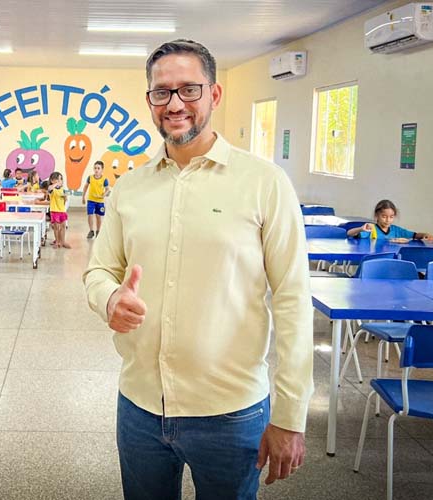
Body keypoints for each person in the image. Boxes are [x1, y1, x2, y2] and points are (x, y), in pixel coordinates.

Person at [83, 39, 313, 500]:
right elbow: (99, 270)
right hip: (140, 407)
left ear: (215, 94)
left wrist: (290, 415)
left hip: (231, 413)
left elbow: (293, 297)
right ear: (150, 99)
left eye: (189, 89)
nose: (174, 104)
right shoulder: (129, 187)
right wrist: (109, 298)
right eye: (161, 92)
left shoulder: (264, 183)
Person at [346, 199, 433, 243]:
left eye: (391, 217)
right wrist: (361, 229)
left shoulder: (396, 230)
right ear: (377, 215)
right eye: (384, 216)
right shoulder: (371, 229)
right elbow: (349, 233)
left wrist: (424, 235)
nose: (388, 220)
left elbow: (414, 235)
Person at [81, 160, 110, 239]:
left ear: (102, 169)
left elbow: (107, 189)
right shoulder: (90, 177)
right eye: (95, 168)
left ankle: (98, 231)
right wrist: (83, 197)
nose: (96, 170)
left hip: (100, 201)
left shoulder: (104, 179)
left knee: (98, 216)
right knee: (90, 214)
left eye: (98, 168)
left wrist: (103, 195)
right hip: (91, 200)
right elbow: (85, 187)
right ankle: (91, 231)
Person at [48, 172, 69, 249]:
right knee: (56, 227)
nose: (60, 181)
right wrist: (55, 184)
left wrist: (65, 198)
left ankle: (63, 241)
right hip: (54, 210)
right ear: (52, 180)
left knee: (63, 226)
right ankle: (57, 241)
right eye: (57, 179)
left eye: (61, 179)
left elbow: (65, 201)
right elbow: (49, 189)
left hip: (62, 210)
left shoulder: (63, 189)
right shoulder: (52, 189)